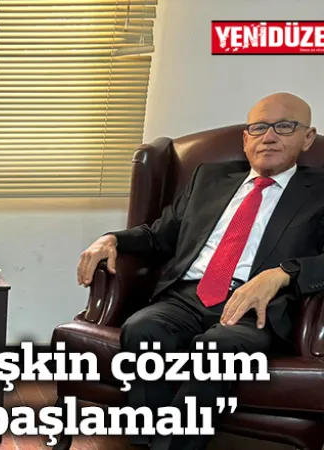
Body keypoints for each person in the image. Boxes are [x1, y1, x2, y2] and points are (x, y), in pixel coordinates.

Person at [76, 92, 320, 450]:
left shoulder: (318, 191)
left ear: (307, 137)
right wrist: (110, 239)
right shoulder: (209, 178)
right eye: (259, 128)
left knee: (216, 350)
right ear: (246, 138)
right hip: (187, 296)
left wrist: (283, 273)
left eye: (284, 127)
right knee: (143, 329)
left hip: (257, 308)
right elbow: (160, 235)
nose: (269, 137)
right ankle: (150, 440)